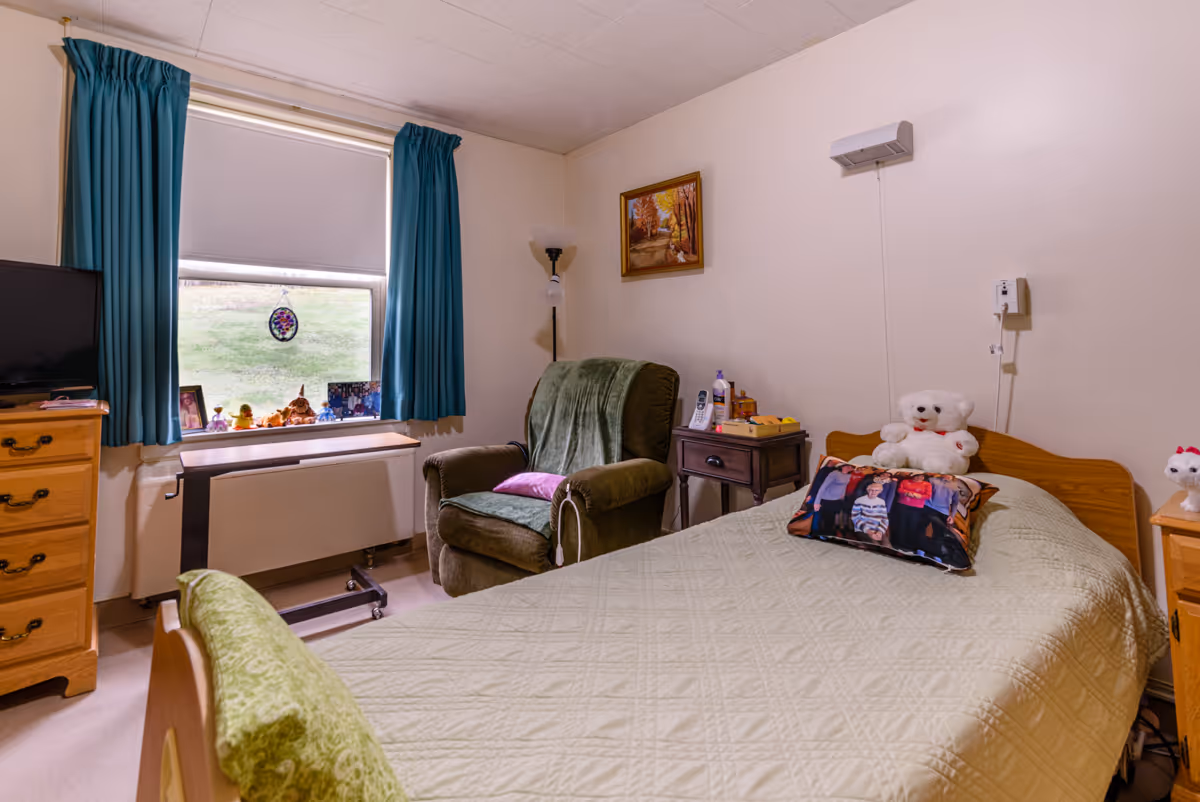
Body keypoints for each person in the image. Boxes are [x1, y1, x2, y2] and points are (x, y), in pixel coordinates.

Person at [891, 472, 933, 553]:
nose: (920, 477)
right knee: (901, 524)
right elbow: (899, 490)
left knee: (912, 525)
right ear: (913, 476)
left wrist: (919, 496)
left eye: (922, 476)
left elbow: (928, 496)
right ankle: (897, 543)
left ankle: (909, 545)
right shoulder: (905, 481)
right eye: (918, 476)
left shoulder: (927, 484)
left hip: (917, 508)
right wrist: (907, 493)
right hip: (902, 505)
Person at [812, 463, 855, 532]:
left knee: (832, 519)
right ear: (842, 466)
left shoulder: (849, 476)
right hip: (826, 499)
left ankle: (827, 534)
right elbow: (823, 487)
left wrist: (842, 496)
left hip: (837, 500)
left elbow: (844, 487)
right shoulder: (834, 474)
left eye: (851, 466)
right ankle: (819, 534)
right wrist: (817, 502)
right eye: (847, 466)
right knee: (824, 519)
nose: (849, 467)